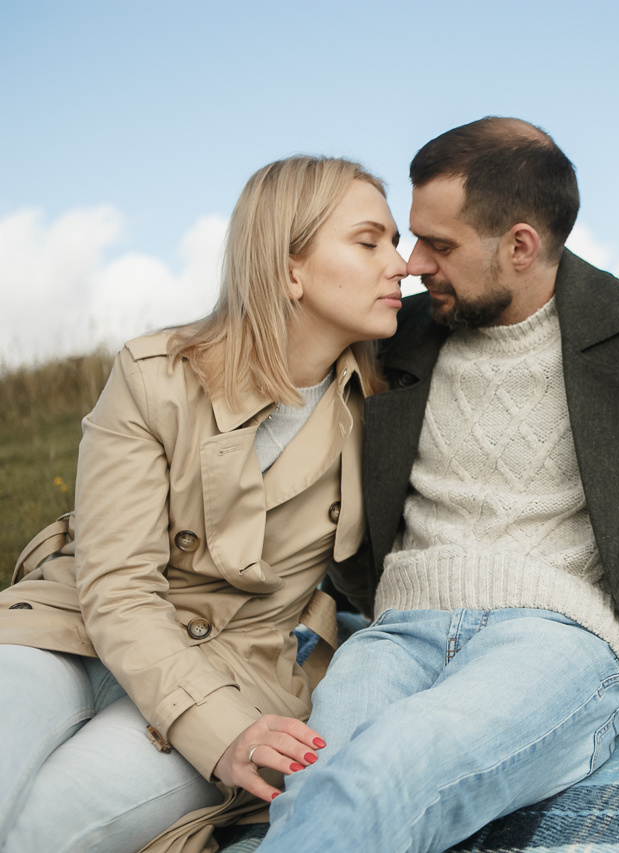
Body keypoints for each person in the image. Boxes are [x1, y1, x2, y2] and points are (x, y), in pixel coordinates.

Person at [258, 117, 619, 853]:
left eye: (439, 244)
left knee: (381, 773)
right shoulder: (402, 330)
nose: (411, 262)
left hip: (556, 637)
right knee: (312, 778)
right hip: (397, 630)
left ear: (520, 246)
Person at [0, 155, 408, 853]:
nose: (401, 265)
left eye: (396, 243)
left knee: (39, 831)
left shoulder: (383, 411)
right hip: (73, 631)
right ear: (290, 269)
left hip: (237, 675)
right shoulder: (153, 376)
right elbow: (117, 586)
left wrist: (224, 732)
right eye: (370, 243)